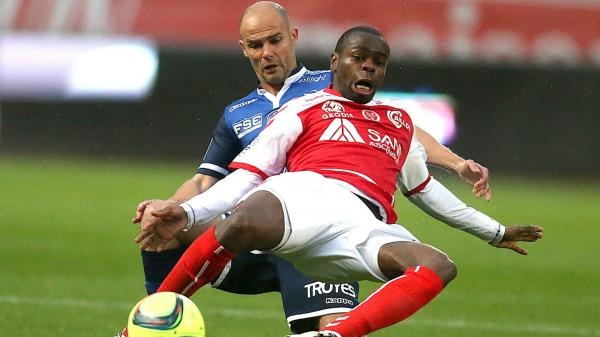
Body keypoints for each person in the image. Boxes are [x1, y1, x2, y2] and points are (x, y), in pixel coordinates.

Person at [136, 26, 543, 337]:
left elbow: (426, 193)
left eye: (377, 61)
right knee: (242, 219)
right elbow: (250, 173)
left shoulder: (399, 123)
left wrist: (494, 231)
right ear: (335, 62)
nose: (368, 66)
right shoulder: (306, 107)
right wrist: (187, 211)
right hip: (302, 199)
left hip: (361, 225)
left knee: (438, 266)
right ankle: (152, 319)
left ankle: (333, 335)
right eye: (358, 57)